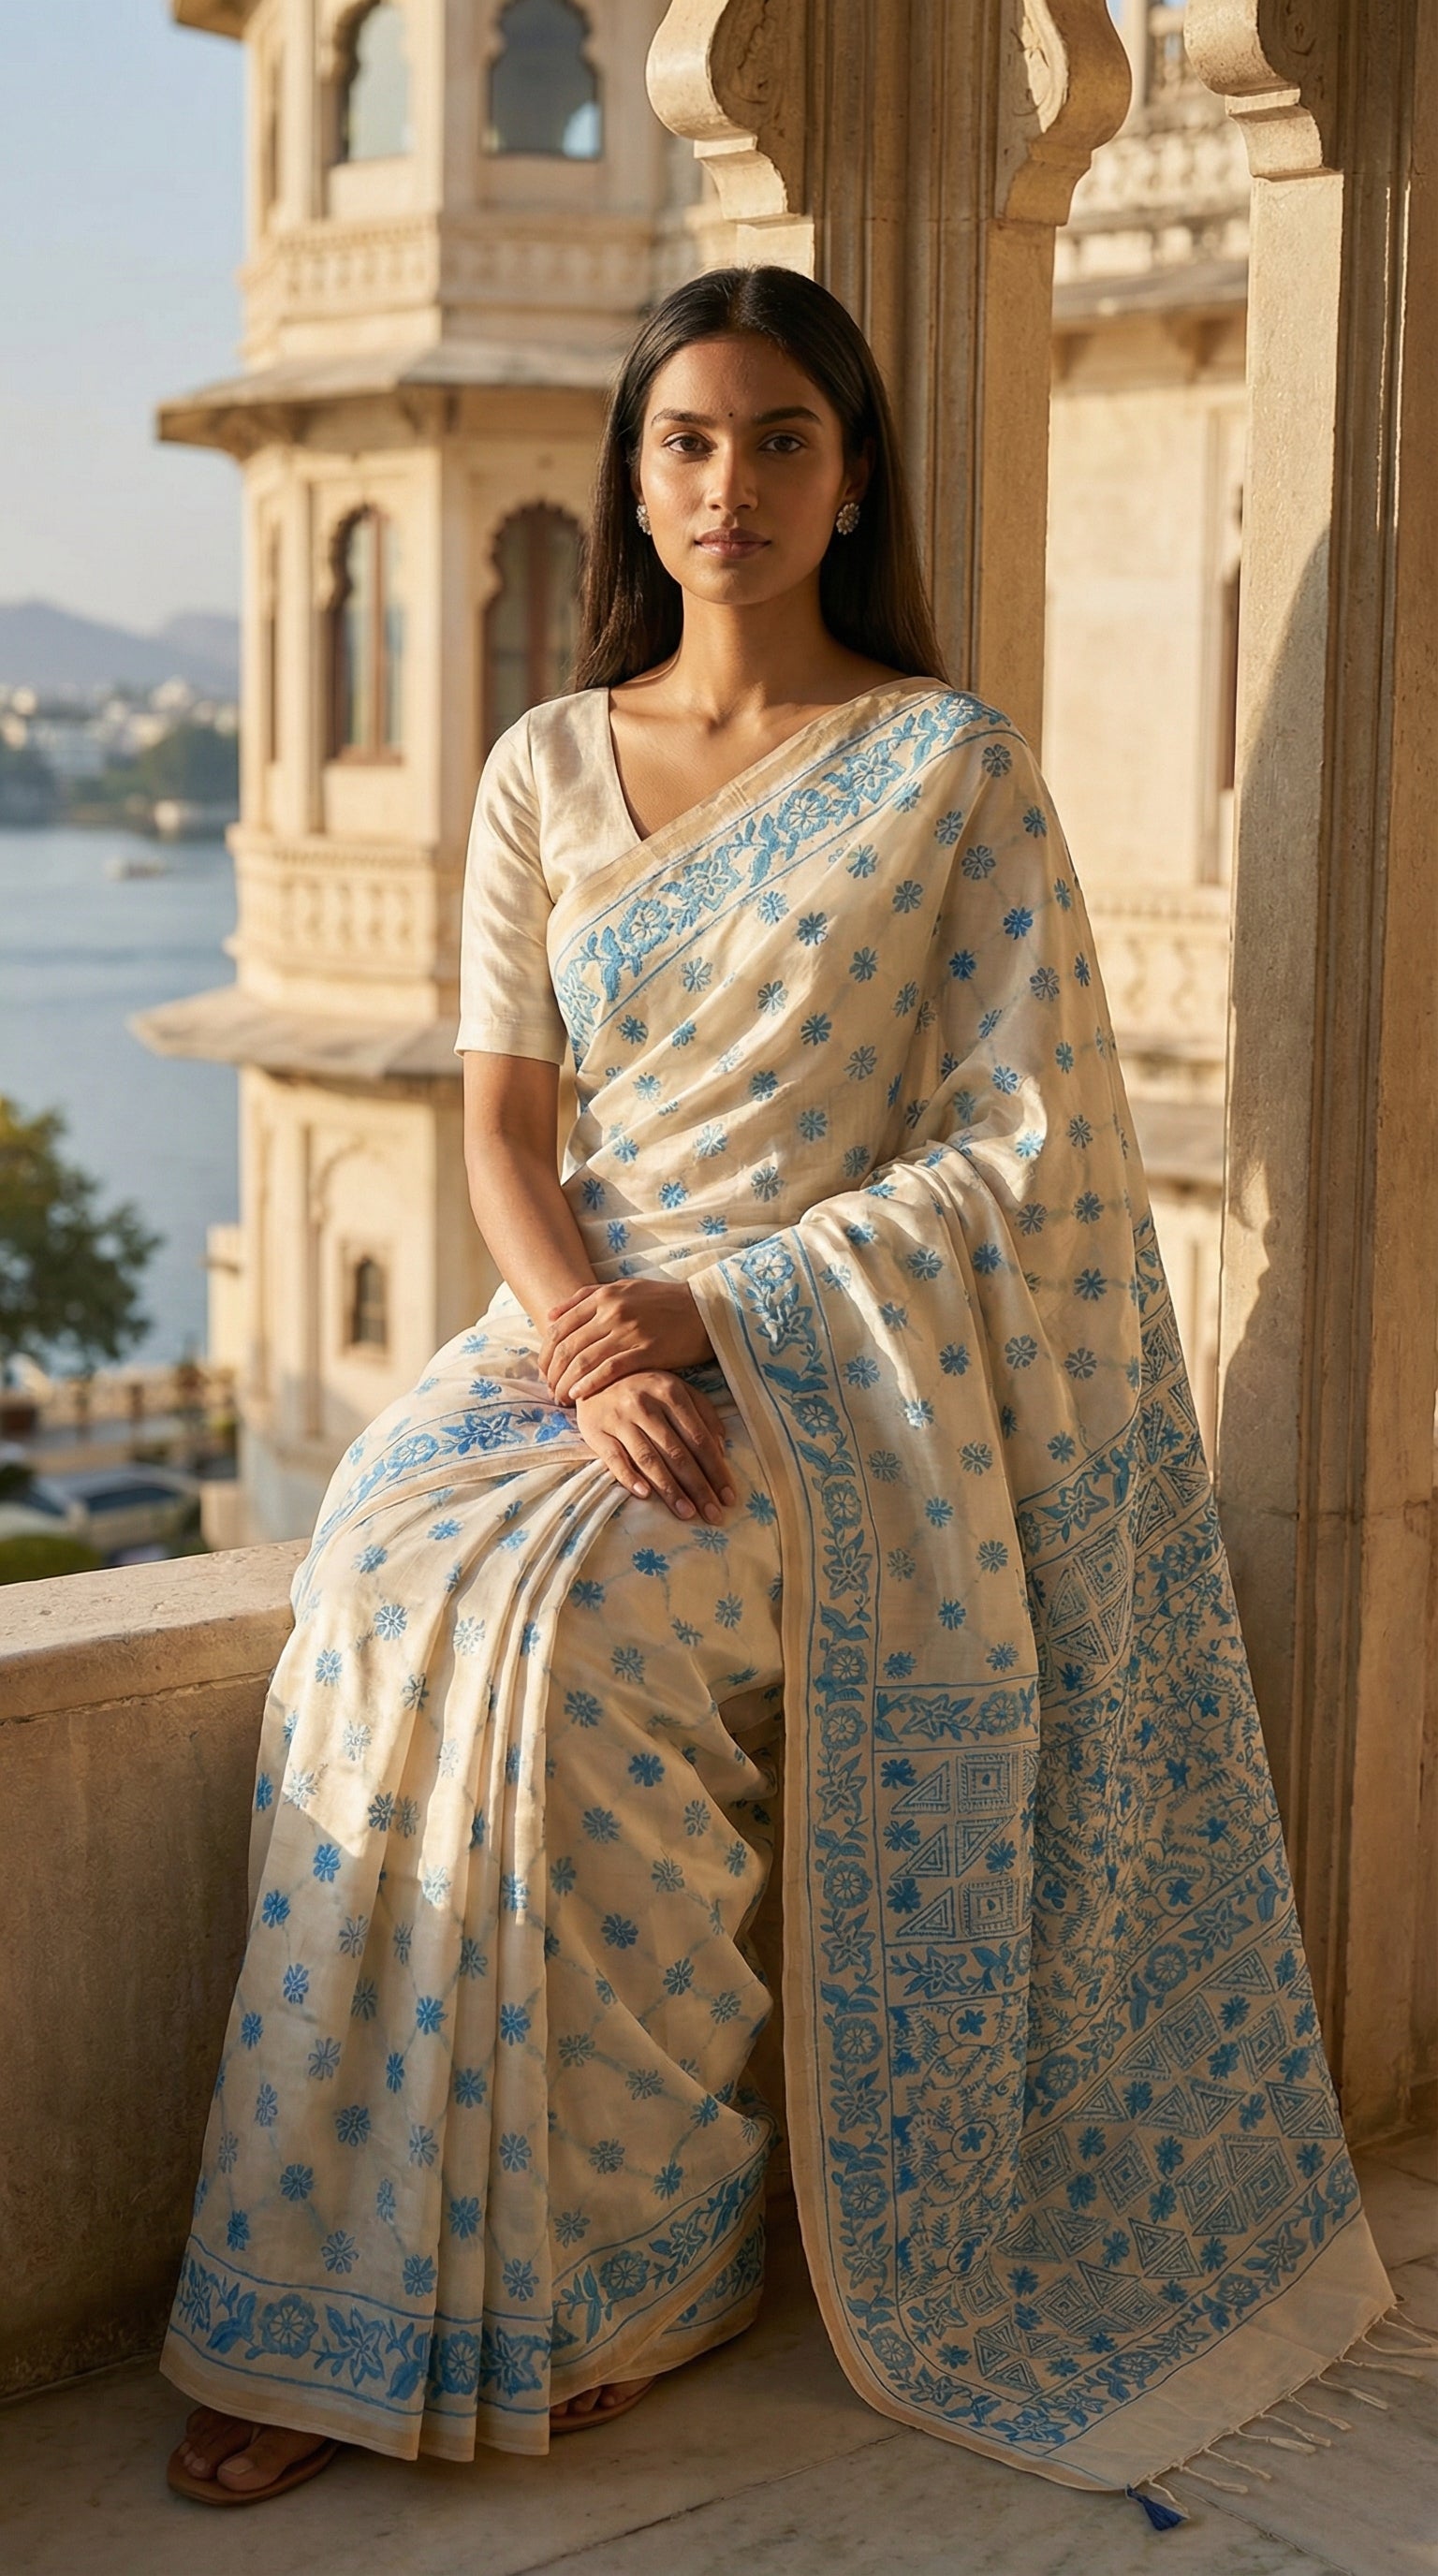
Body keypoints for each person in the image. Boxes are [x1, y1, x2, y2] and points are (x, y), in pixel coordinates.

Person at [164, 266, 1387, 2508]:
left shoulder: (945, 768)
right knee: (370, 1597)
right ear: (638, 475)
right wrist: (575, 1334)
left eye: (782, 440)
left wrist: (725, 1320)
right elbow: (506, 1134)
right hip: (570, 1327)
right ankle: (332, 2279)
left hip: (839, 1382)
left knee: (585, 1645)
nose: (731, 486)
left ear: (851, 480)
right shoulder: (548, 759)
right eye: (690, 442)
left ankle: (640, 2258)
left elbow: (1019, 1152)